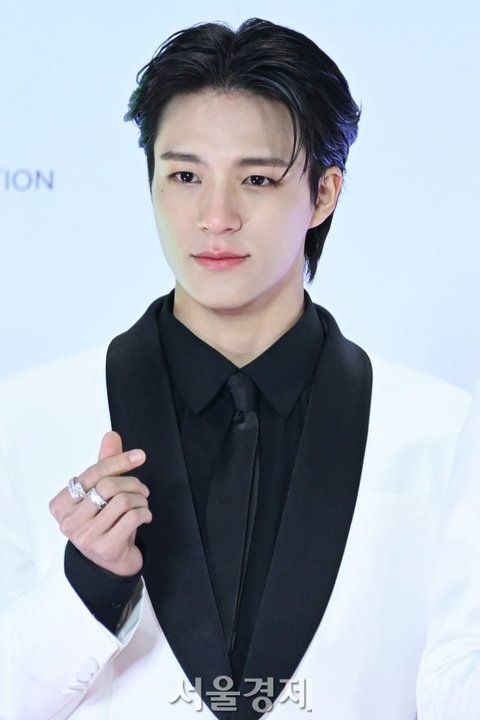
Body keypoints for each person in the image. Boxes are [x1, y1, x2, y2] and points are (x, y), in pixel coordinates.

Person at [0, 17, 475, 720]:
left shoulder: (442, 430)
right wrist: (88, 584)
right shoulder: (25, 416)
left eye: (256, 178)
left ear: (323, 194)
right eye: (185, 175)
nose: (215, 216)